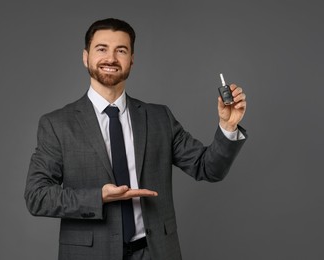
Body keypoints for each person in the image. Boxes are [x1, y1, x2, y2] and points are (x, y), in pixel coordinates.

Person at [24, 18, 247, 260]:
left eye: (121, 50)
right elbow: (37, 197)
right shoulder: (57, 124)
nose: (111, 58)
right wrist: (98, 196)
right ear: (85, 57)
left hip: (156, 253)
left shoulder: (159, 117)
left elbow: (207, 168)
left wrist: (228, 125)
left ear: (131, 59)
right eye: (102, 49)